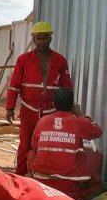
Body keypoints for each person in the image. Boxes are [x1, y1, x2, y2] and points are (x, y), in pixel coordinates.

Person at [6, 21, 72, 175]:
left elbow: (66, 88)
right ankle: (21, 175)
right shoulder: (23, 60)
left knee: (48, 144)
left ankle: (45, 175)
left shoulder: (60, 60)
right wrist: (9, 108)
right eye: (38, 38)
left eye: (44, 38)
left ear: (50, 39)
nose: (41, 42)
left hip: (51, 112)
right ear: (34, 39)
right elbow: (14, 86)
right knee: (25, 145)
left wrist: (68, 112)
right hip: (29, 109)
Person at [28, 87, 103, 200]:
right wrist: (81, 114)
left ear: (53, 104)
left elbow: (35, 146)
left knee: (32, 153)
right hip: (68, 183)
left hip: (43, 180)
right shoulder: (79, 122)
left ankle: (37, 180)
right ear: (72, 106)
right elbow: (98, 131)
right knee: (97, 182)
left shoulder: (42, 121)